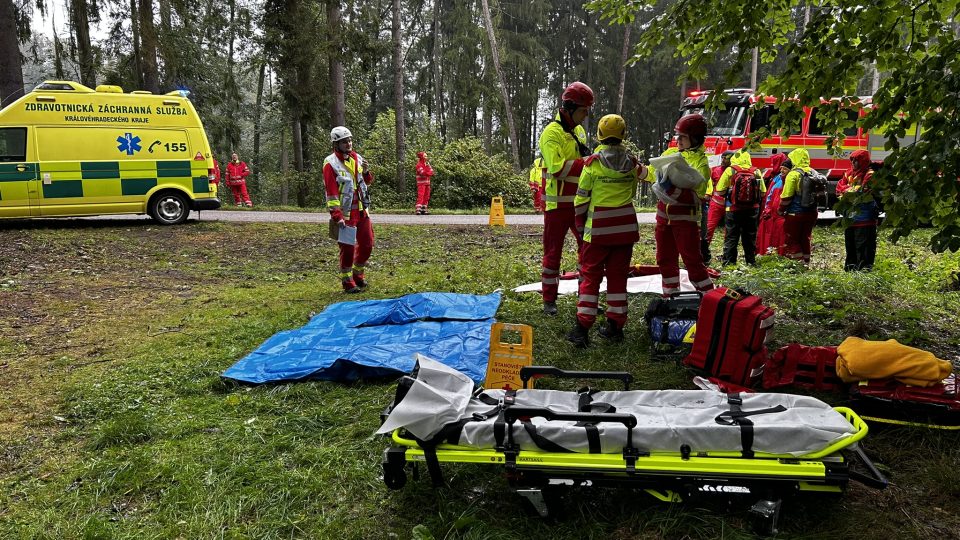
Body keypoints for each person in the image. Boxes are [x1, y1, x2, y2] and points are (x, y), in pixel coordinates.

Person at [566, 114, 648, 347]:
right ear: (623, 135)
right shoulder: (632, 164)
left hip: (598, 231)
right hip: (624, 231)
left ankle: (582, 329)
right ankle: (615, 325)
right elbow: (633, 190)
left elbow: (581, 200)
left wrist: (580, 224)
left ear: (600, 136)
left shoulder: (592, 164)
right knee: (618, 278)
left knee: (590, 278)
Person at [538, 81, 593, 315]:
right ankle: (549, 301)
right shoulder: (551, 134)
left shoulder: (578, 131)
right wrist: (588, 163)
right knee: (553, 254)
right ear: (569, 108)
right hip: (557, 207)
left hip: (580, 204)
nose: (586, 116)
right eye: (583, 111)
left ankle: (587, 299)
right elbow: (557, 168)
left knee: (588, 252)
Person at [646, 114, 715, 296]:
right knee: (664, 259)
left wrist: (672, 189)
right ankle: (671, 296)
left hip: (685, 221)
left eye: (683, 137)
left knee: (692, 260)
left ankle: (708, 297)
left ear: (695, 138)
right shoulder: (670, 153)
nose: (678, 140)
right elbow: (651, 173)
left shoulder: (701, 162)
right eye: (678, 136)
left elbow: (698, 193)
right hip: (663, 219)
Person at [323, 126, 375, 293]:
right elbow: (331, 192)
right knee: (347, 248)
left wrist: (366, 172)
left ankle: (358, 274)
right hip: (345, 214)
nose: (348, 144)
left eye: (350, 140)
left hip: (362, 209)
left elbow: (366, 182)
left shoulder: (357, 158)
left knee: (367, 244)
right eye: (344, 142)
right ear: (336, 144)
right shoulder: (330, 163)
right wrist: (336, 215)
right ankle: (347, 281)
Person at [714, 150, 765, 265]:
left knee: (731, 236)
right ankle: (751, 262)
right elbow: (762, 193)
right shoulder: (756, 171)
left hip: (733, 209)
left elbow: (720, 190)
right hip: (752, 210)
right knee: (750, 237)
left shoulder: (731, 170)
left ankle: (729, 262)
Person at [836, 150, 879, 271]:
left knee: (864, 248)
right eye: (852, 160)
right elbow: (838, 189)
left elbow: (861, 192)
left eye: (856, 160)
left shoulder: (870, 174)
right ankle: (851, 271)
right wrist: (849, 191)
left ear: (863, 161)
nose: (854, 163)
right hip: (850, 218)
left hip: (865, 219)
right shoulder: (849, 173)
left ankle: (863, 273)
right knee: (851, 247)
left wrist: (846, 191)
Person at [778, 148, 818, 265]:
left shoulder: (793, 174)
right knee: (805, 238)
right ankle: (806, 263)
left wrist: (780, 210)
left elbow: (786, 196)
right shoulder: (814, 172)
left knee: (792, 239)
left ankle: (796, 265)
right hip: (812, 213)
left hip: (795, 213)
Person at [703, 150, 734, 263]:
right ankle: (704, 253)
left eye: (726, 158)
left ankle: (727, 255)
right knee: (709, 228)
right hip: (716, 204)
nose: (723, 160)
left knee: (729, 231)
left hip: (730, 205)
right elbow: (708, 184)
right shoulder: (714, 170)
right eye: (722, 158)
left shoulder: (735, 171)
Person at [756, 153, 789, 256]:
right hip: (771, 212)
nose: (781, 169)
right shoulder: (778, 177)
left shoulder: (779, 179)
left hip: (773, 213)